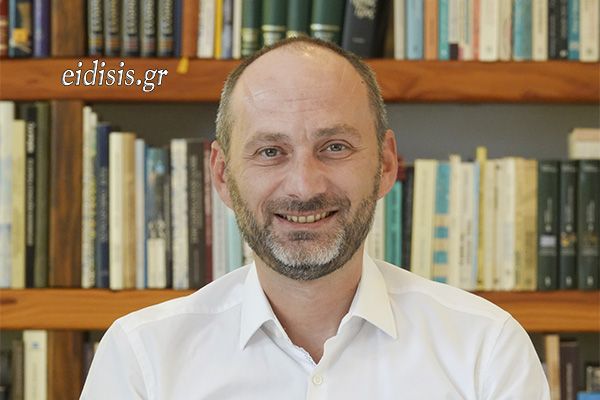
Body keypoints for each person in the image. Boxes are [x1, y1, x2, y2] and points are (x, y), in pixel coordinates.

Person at [81, 37, 550, 399]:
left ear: (387, 163)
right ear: (222, 175)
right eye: (270, 151)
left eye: (335, 147)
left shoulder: (485, 349)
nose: (304, 187)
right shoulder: (142, 358)